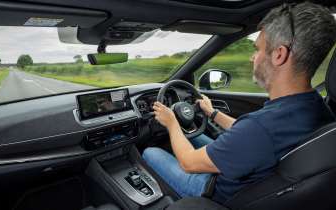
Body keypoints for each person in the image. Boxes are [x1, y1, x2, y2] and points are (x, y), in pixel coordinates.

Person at [142, 2, 336, 204]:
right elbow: (249, 135)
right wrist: (212, 113)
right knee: (191, 135)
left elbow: (189, 162)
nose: (253, 58)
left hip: (214, 191)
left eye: (258, 49)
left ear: (279, 55)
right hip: (248, 174)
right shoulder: (316, 106)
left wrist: (172, 123)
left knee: (150, 152)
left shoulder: (261, 128)